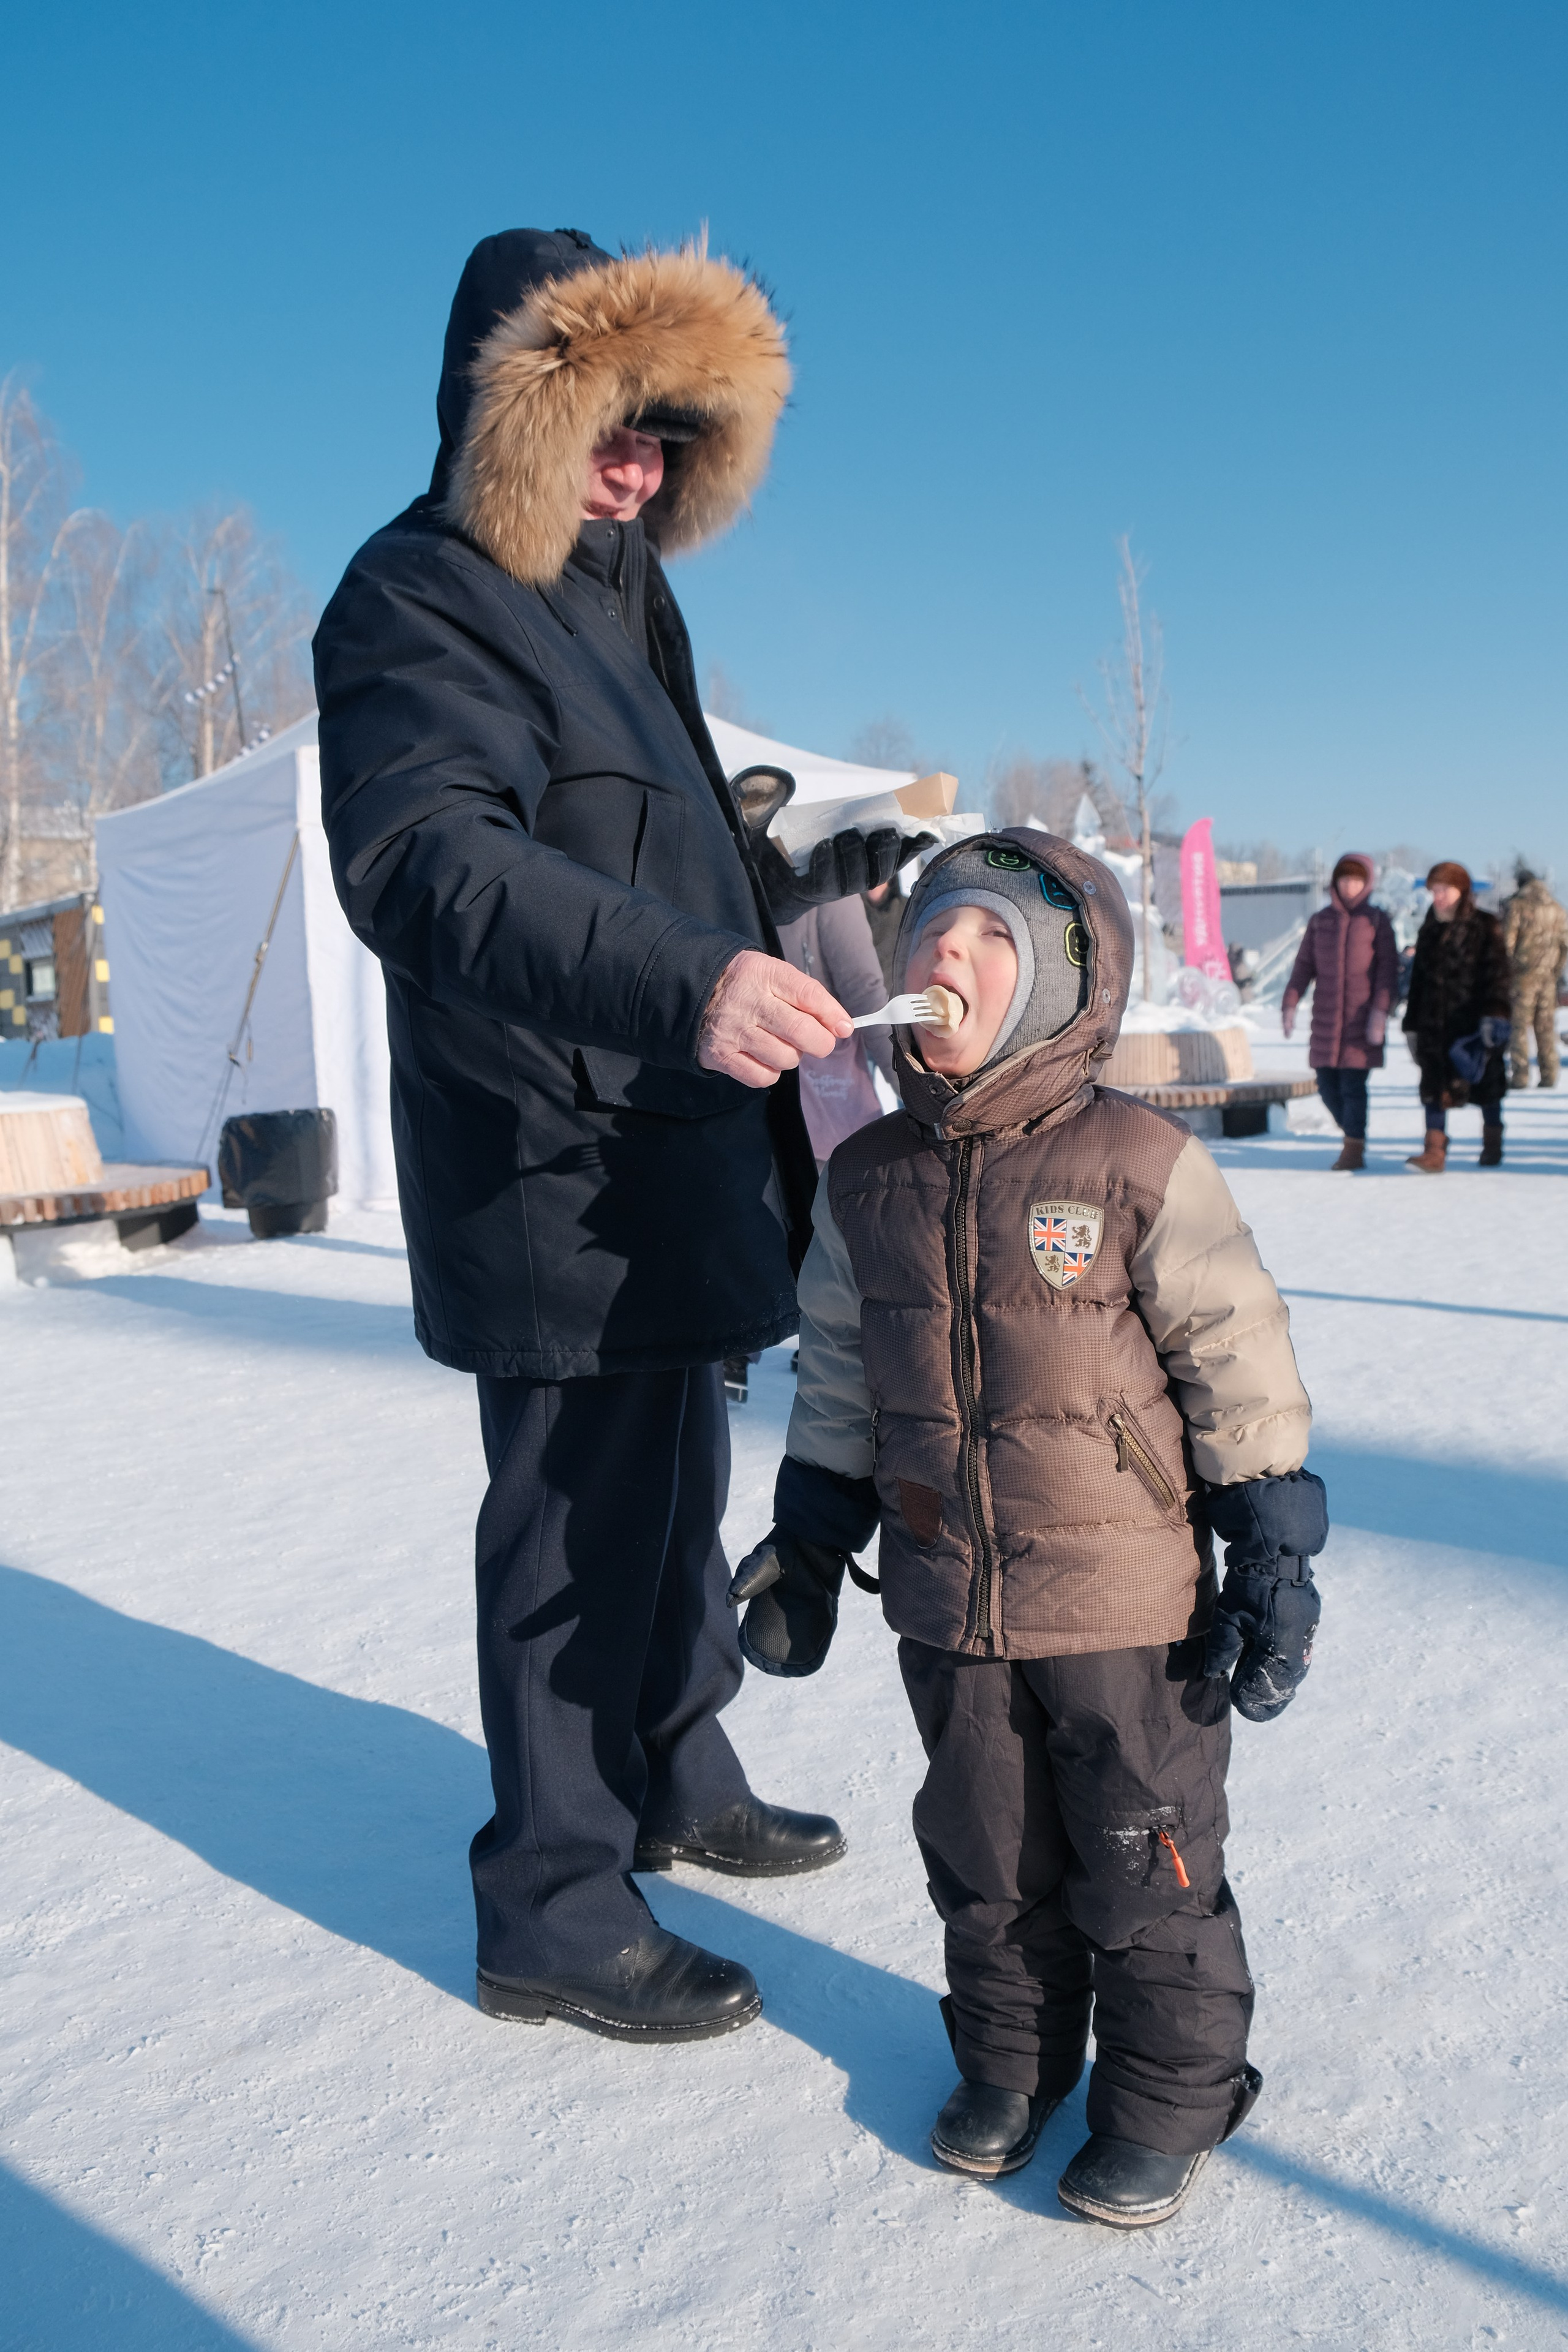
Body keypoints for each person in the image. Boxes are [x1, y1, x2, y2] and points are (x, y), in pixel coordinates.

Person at [314, 228, 929, 2045]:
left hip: (674, 1135)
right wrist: (686, 980)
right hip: (544, 1145)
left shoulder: (628, 602)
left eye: (663, 434)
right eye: (604, 420)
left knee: (675, 1492)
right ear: (509, 404)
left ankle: (677, 1763)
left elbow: (675, 861)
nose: (635, 466)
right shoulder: (413, 594)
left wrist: (812, 895)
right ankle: (554, 1901)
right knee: (573, 1523)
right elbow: (427, 862)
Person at [729, 830, 1322, 2229]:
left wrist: (1271, 1552)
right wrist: (808, 1537)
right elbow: (835, 1366)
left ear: (1058, 988)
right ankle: (1009, 2065)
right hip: (945, 1594)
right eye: (934, 931)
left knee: (1141, 1853)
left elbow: (1233, 1355)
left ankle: (1171, 2094)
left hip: (1128, 1602)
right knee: (983, 1850)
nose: (950, 954)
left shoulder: (1131, 1157)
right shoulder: (864, 1174)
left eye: (991, 940)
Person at [1281, 854, 1399, 1169]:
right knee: (1326, 1085)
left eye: (1357, 880)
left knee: (1352, 1086)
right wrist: (1291, 1002)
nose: (1350, 886)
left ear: (1367, 883)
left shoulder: (1376, 920)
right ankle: (1351, 1133)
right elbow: (1304, 966)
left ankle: (1353, 1149)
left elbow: (1389, 969)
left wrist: (1380, 1012)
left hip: (1361, 1020)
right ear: (1335, 883)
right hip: (1326, 1019)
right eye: (1345, 879)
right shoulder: (1321, 921)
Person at [1402, 861, 1511, 1172]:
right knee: (1434, 1088)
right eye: (1434, 891)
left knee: (1486, 1086)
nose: (1439, 897)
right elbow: (1418, 982)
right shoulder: (1430, 928)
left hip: (1475, 1026)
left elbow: (1499, 975)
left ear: (1462, 891)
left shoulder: (1486, 925)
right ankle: (1434, 1152)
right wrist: (1412, 1026)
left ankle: (1492, 1143)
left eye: (1444, 890)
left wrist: (1495, 1015)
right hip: (1434, 1024)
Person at [777, 897, 895, 1164]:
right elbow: (865, 990)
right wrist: (912, 1088)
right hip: (817, 1094)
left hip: (768, 1095)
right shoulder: (828, 882)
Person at [1501, 862, 1567, 1090]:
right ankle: (1549, 1074)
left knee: (1520, 1027)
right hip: (1548, 978)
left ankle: (1520, 1076)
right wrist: (1556, 970)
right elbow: (1566, 944)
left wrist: (1507, 969)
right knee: (1546, 1027)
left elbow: (1508, 942)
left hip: (1522, 976)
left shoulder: (1517, 906)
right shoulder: (1558, 908)